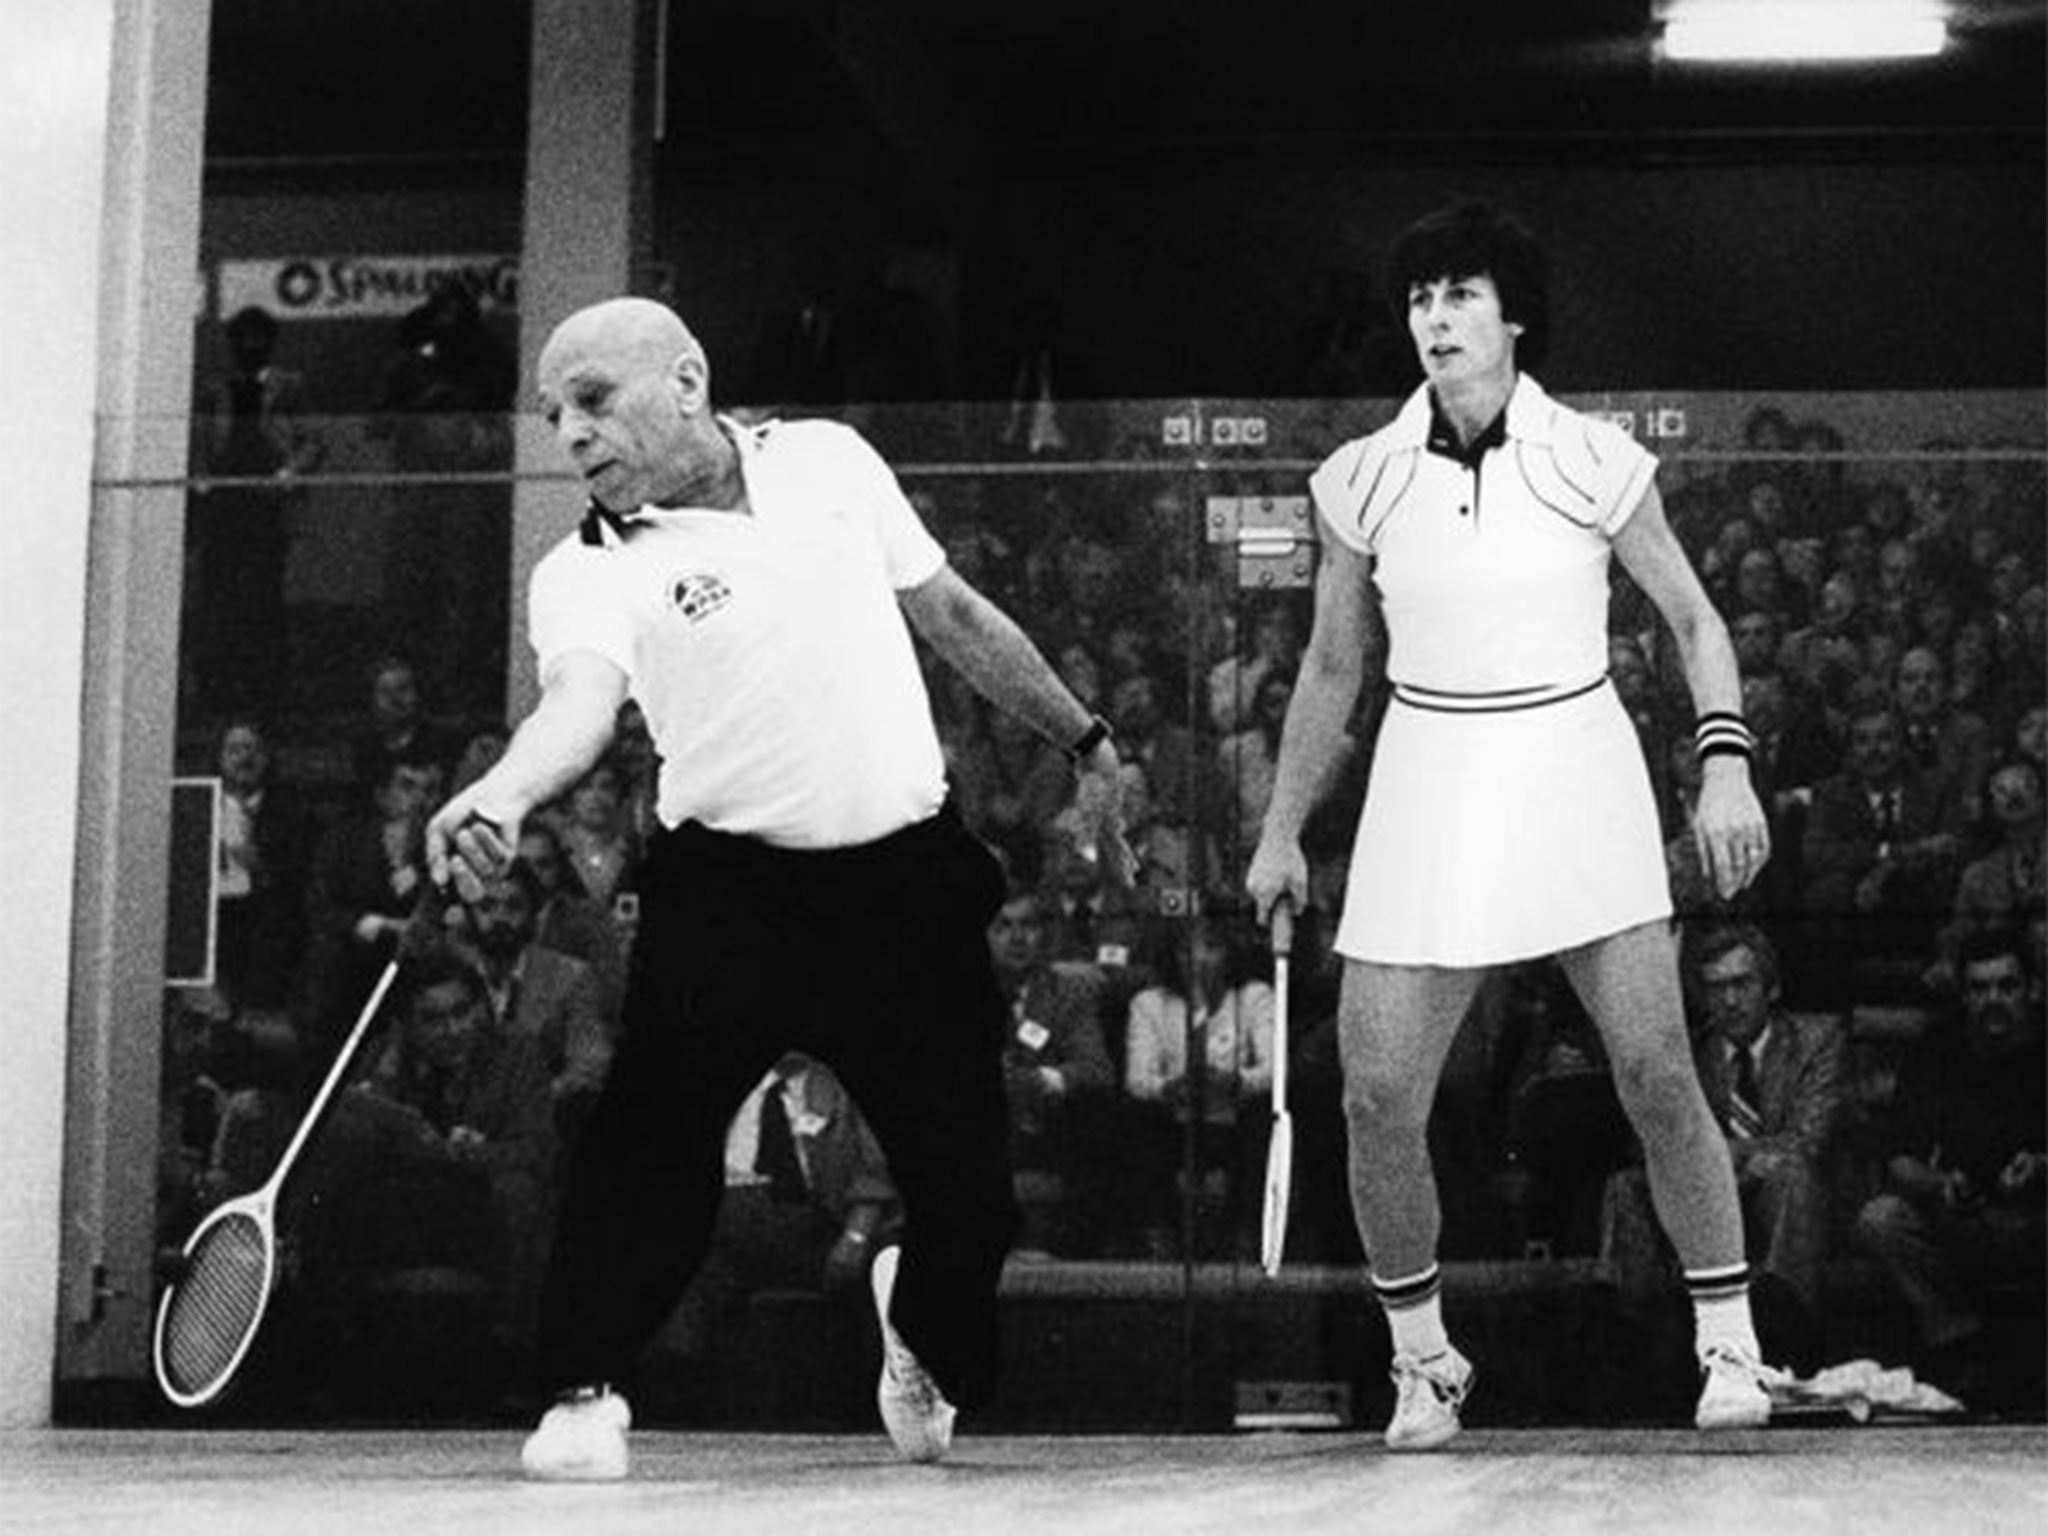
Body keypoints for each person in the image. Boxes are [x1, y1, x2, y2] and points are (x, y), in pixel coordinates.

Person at [424, 296, 1130, 1480]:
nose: (572, 435)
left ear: (687, 381)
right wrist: (500, 795)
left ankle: (919, 1339)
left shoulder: (829, 460)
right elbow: (579, 707)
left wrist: (1087, 742)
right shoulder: (584, 572)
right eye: (554, 416)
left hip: (905, 887)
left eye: (592, 400)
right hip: (729, 899)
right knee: (646, 1145)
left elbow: (949, 612)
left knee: (970, 1198)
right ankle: (583, 1391)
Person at [1245, 201, 1784, 1449]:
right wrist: (1281, 831)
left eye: (1461, 294)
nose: (1434, 317)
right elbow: (1333, 672)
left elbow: (1696, 622)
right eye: (1420, 296)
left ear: (1512, 315)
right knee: (1375, 1094)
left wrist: (1723, 768)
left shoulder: (1595, 459)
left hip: (1572, 760)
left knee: (1654, 1070)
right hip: (1427, 771)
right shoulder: (1358, 479)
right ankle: (1425, 1362)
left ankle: (1730, 1346)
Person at [1600, 924, 1843, 1351]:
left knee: (1792, 1174)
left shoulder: (1817, 1040)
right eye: (1716, 988)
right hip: (1709, 1195)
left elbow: (1808, 1140)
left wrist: (1712, 1156)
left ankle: (1784, 1329)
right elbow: (1647, 1141)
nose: (1729, 1000)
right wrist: (1732, 1160)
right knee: (1626, 1186)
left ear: (1771, 988)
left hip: (1786, 1198)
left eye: (1741, 984)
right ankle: (1630, 1334)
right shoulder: (1690, 1053)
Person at [1854, 929, 2045, 1410]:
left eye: (2006, 986)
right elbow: (1898, 1158)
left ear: (2032, 988)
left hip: (2041, 1218)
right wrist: (1940, 1184)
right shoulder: (1937, 1051)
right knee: (1881, 1218)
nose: (1993, 1000)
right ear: (1963, 996)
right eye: (1980, 989)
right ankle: (1963, 1348)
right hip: (1963, 1218)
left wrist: (2043, 1167)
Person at [987, 885, 1117, 1258]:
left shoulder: (1068, 991)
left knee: (1096, 1115)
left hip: (1047, 1119)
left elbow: (1095, 1070)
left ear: (1043, 934)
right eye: (1002, 926)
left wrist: (1044, 1079)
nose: (1016, 938)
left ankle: (1073, 1255)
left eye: (1027, 925)